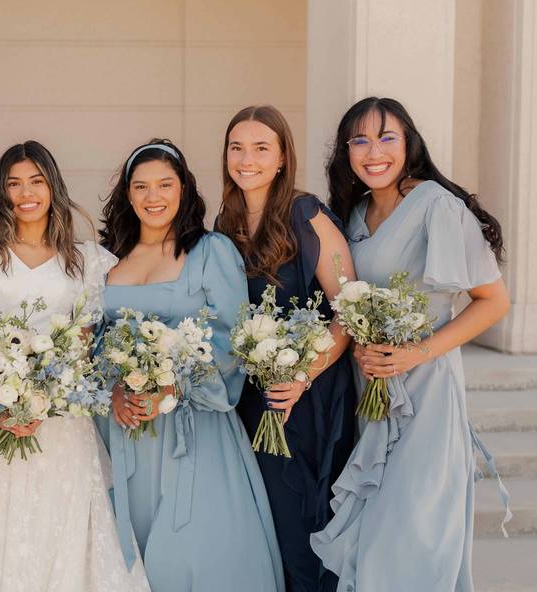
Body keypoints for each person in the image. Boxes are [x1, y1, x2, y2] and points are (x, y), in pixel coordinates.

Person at [0, 140, 150, 592]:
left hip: (61, 421)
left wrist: (42, 401)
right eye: (13, 183)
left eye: (36, 180)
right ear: (1, 191)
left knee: (56, 529)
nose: (26, 192)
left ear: (53, 185)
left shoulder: (85, 261)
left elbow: (84, 351)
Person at [310, 97, 511, 590]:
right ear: (346, 151)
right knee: (375, 538)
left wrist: (416, 353)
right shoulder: (353, 214)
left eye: (386, 137)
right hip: (370, 395)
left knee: (412, 537)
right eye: (359, 140)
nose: (372, 151)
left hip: (426, 396)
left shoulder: (436, 205)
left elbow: (493, 301)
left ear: (409, 144)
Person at [97, 140, 284, 591]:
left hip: (195, 432)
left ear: (184, 189)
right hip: (126, 433)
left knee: (199, 554)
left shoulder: (210, 251)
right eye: (140, 186)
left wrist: (173, 387)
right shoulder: (107, 260)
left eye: (164, 184)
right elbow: (94, 339)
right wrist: (115, 391)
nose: (152, 196)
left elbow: (230, 339)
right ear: (127, 194)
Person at [214, 106, 357, 592]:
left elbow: (350, 310)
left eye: (260, 148)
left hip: (307, 396)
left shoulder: (305, 213)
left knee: (303, 528)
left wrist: (301, 375)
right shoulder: (225, 221)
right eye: (237, 147)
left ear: (281, 158)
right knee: (265, 529)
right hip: (253, 398)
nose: (246, 158)